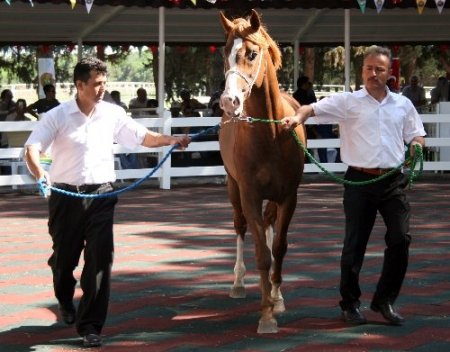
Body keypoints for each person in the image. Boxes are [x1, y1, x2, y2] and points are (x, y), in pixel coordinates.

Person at [24, 57, 191, 348]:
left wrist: (171, 139)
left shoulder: (112, 114)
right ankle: (65, 297)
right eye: (97, 84)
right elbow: (32, 148)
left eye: (105, 83)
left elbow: (142, 137)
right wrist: (41, 175)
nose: (102, 89)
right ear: (79, 85)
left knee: (101, 261)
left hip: (101, 194)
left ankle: (90, 326)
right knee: (64, 262)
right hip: (66, 197)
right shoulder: (58, 116)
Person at [282, 45, 426, 326]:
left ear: (389, 73)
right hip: (359, 181)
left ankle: (384, 300)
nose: (374, 73)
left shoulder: (403, 105)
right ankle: (349, 303)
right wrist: (297, 117)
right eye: (369, 68)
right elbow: (311, 109)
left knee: (401, 239)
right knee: (354, 245)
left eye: (380, 69)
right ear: (362, 71)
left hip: (393, 181)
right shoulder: (348, 101)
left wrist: (416, 148)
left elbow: (417, 135)